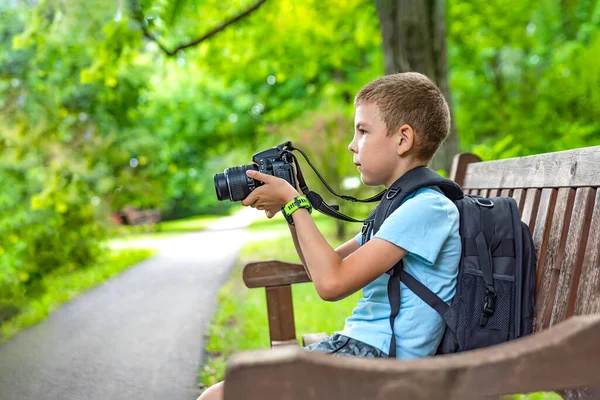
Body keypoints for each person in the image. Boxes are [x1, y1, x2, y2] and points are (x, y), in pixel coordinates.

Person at [198, 72, 461, 400]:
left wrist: (294, 202)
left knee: (219, 397)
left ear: (403, 139)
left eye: (363, 131)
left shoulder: (427, 208)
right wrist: (290, 206)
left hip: (381, 366)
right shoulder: (402, 205)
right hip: (363, 353)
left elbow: (331, 284)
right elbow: (325, 266)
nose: (352, 144)